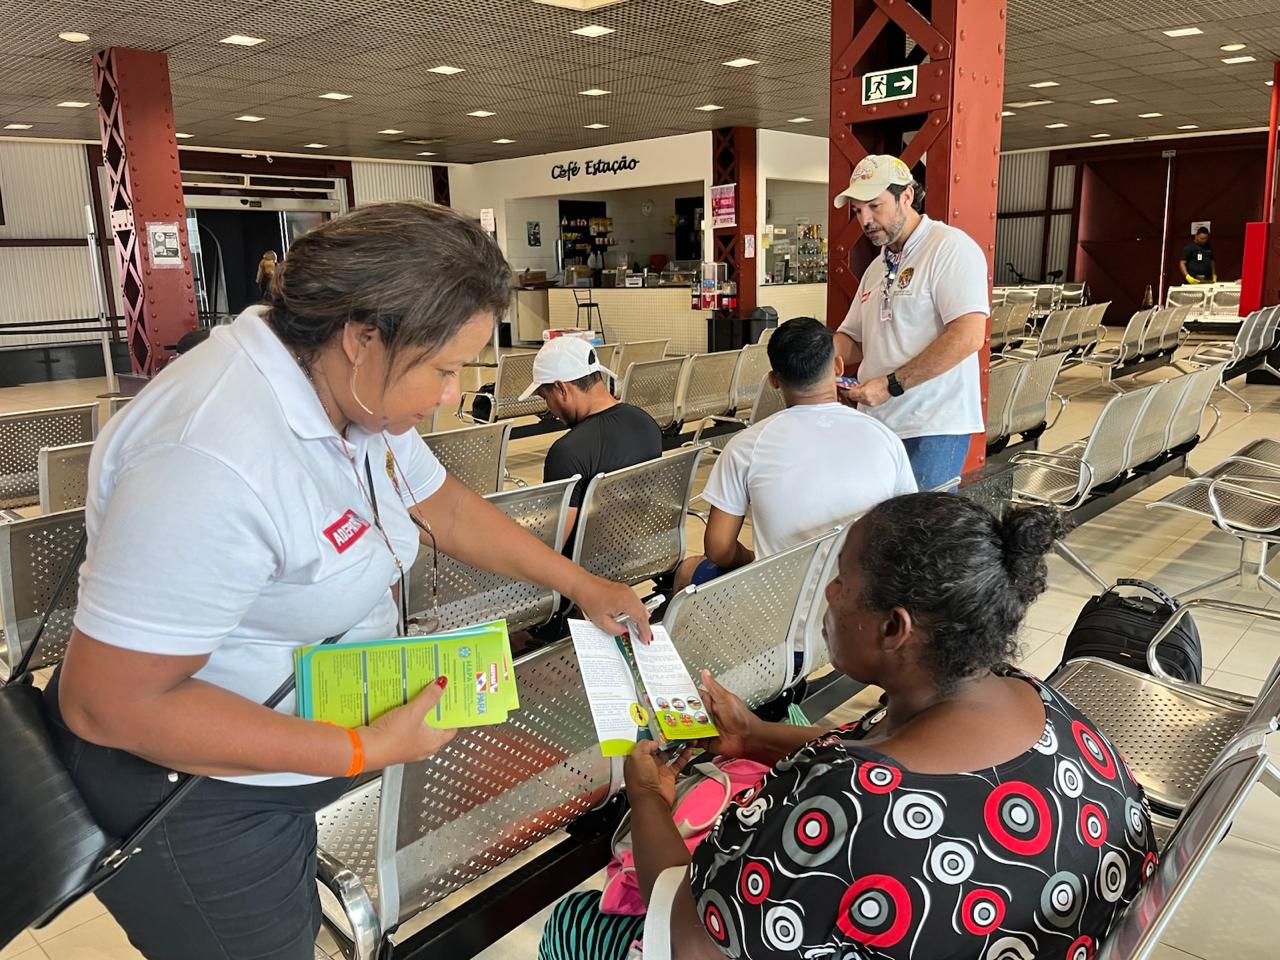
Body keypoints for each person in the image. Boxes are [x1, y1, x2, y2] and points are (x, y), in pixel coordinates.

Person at [44, 202, 650, 960]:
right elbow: (110, 703)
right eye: (444, 368)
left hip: (283, 755)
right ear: (363, 338)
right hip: (194, 797)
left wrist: (581, 584)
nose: (453, 395)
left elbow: (445, 509)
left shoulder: (350, 396)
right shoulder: (209, 458)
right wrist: (360, 749)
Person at [540, 494, 1157, 960]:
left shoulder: (844, 806)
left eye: (844, 581)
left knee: (575, 925)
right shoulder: (1040, 703)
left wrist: (647, 798)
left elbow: (693, 940)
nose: (829, 594)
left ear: (895, 628)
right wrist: (754, 734)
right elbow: (885, 748)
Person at [674, 317, 916, 588]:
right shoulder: (885, 438)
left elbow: (718, 548)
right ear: (837, 367)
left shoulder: (745, 447)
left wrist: (753, 559)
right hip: (860, 601)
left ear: (774, 381)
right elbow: (907, 530)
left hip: (776, 606)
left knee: (689, 571)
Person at [831, 154, 989, 491]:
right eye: (858, 210)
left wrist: (890, 385)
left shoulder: (949, 249)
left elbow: (968, 335)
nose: (866, 220)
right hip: (878, 422)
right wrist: (815, 359)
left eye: (875, 206)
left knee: (921, 534)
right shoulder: (878, 267)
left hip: (932, 425)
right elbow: (853, 336)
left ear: (907, 196)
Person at [522, 336, 663, 549]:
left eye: (545, 398)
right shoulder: (646, 423)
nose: (549, 409)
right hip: (635, 551)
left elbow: (552, 546)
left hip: (583, 571)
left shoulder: (567, 452)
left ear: (561, 388)